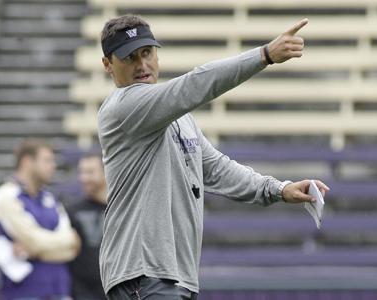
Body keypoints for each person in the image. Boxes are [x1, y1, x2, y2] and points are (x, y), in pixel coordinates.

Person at [97, 15, 330, 300]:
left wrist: (278, 188)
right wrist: (264, 55)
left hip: (173, 275)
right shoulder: (124, 107)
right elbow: (196, 84)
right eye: (129, 58)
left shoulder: (177, 117)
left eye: (147, 53)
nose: (142, 64)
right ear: (108, 65)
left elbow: (216, 169)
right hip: (143, 274)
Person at [0, 139, 80, 300]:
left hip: (60, 290)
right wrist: (60, 245)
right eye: (47, 160)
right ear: (27, 161)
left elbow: (73, 245)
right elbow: (35, 241)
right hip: (22, 293)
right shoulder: (5, 196)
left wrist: (35, 252)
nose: (53, 166)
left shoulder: (50, 198)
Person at [66, 152, 107, 300]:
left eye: (90, 172)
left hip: (117, 291)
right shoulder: (71, 211)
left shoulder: (120, 210)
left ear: (105, 171)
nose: (83, 178)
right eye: (81, 172)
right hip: (83, 294)